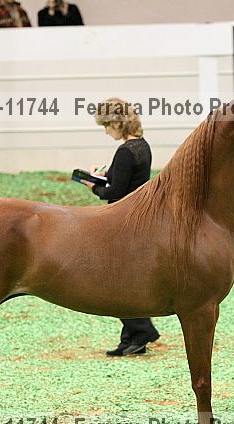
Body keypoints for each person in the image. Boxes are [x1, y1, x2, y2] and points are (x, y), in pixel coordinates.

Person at [79, 97, 160, 357]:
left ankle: (142, 330)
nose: (106, 131)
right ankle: (133, 337)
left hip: (120, 221)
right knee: (124, 279)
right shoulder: (142, 146)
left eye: (106, 126)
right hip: (137, 219)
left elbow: (114, 192)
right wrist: (101, 174)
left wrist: (92, 186)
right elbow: (125, 181)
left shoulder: (125, 151)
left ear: (117, 123)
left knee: (113, 280)